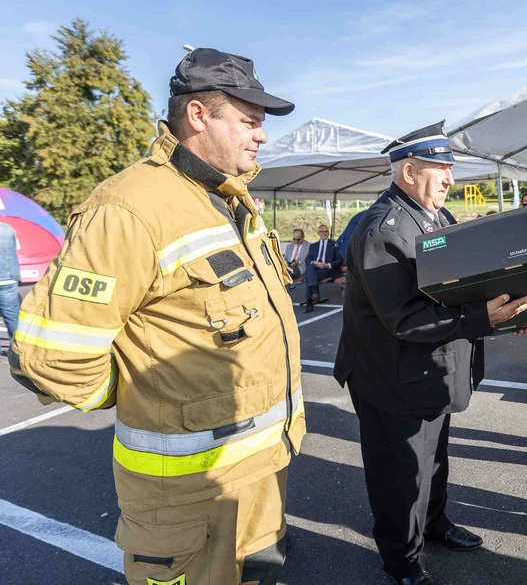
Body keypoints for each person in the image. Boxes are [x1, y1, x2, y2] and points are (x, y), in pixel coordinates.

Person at [9, 48, 305, 585]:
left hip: (262, 472)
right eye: (249, 122)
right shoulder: (127, 209)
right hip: (187, 496)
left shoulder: (232, 199)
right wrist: (136, 392)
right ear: (198, 115)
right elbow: (52, 357)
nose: (261, 136)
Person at [333, 120, 527, 585]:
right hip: (391, 379)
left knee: (434, 460)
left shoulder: (432, 217)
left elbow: (456, 284)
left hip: (427, 375)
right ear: (407, 173)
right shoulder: (384, 230)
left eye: (449, 167)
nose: (450, 179)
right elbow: (403, 318)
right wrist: (486, 318)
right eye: (439, 168)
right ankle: (401, 561)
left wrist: (511, 300)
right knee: (400, 474)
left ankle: (434, 524)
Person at [303, 223, 342, 313]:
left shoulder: (334, 244)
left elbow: (340, 259)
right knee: (311, 267)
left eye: (326, 232)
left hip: (327, 270)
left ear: (328, 233)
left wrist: (327, 265)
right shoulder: (313, 246)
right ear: (318, 233)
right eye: (322, 232)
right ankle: (314, 293)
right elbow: (308, 259)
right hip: (316, 270)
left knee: (308, 275)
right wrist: (314, 262)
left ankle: (310, 300)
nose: (324, 233)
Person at [0, 222, 20, 349]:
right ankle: (18, 350)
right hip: (9, 279)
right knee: (13, 320)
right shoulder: (8, 229)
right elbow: (15, 249)